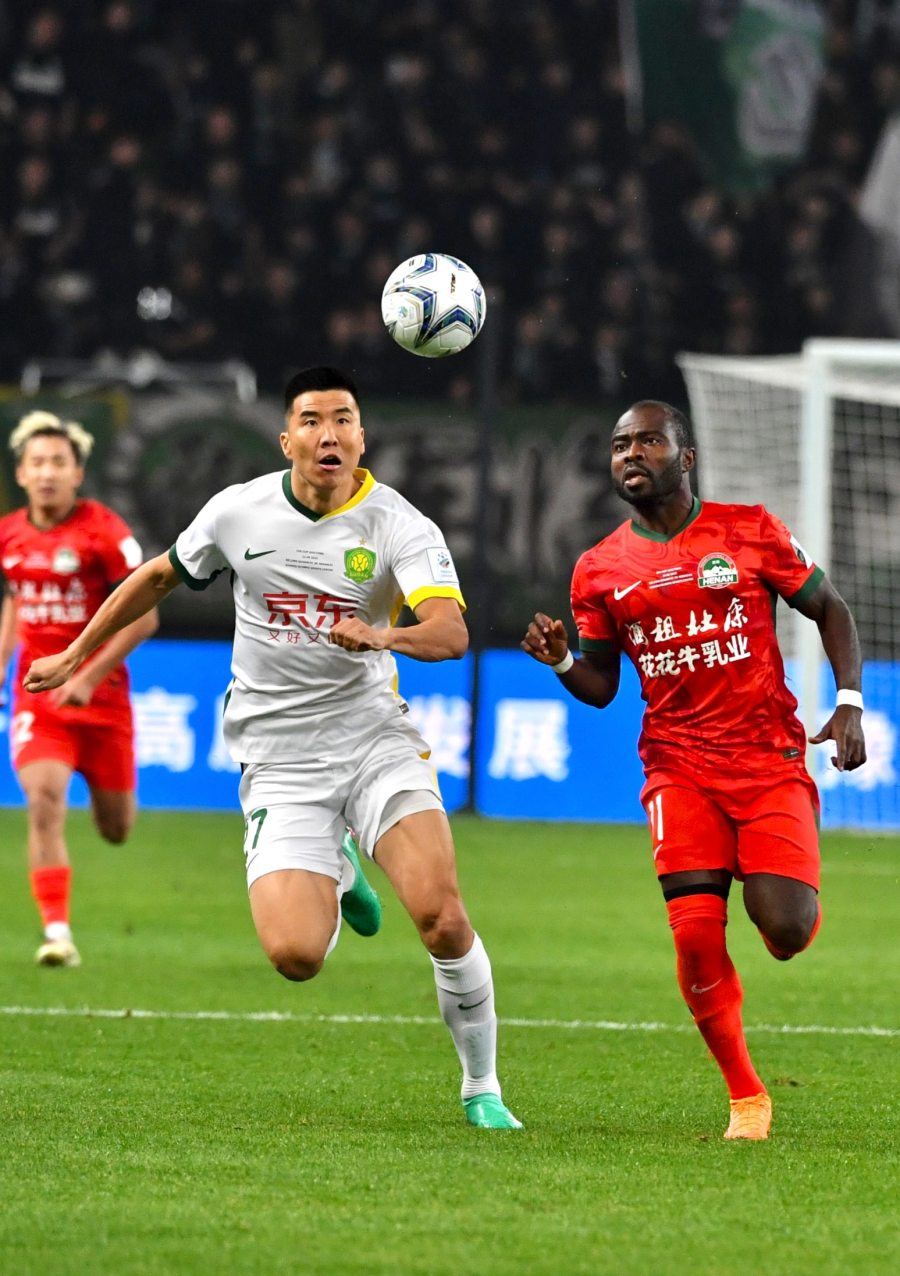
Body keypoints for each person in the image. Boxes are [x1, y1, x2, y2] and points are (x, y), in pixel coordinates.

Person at [24, 367, 522, 1131]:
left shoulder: (399, 524)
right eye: (312, 420)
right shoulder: (238, 512)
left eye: (343, 419)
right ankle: (338, 861)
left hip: (374, 740)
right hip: (280, 757)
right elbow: (157, 578)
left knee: (441, 916)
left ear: (361, 438)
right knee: (295, 956)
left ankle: (481, 1087)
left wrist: (383, 635)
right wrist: (75, 653)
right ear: (287, 439)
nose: (329, 434)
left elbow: (450, 632)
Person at [522, 400, 866, 1141]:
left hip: (768, 760)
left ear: (686, 457)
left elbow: (831, 608)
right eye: (620, 444)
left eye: (648, 440)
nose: (630, 454)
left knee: (786, 930)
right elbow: (602, 687)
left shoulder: (750, 530)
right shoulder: (599, 569)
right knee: (695, 935)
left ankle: (783, 886)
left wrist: (848, 702)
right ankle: (747, 1096)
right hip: (677, 767)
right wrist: (561, 660)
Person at [0, 411, 159, 967]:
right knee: (43, 801)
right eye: (37, 463)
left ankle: (62, 919)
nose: (47, 473)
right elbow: (16, 601)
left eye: (58, 463)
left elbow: (144, 617)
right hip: (38, 697)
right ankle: (57, 933)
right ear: (21, 473)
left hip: (102, 699)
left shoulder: (105, 533)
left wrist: (87, 677)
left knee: (116, 829)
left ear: (77, 473)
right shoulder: (8, 535)